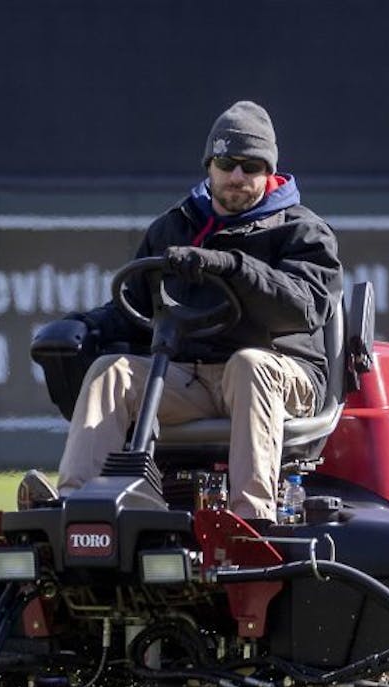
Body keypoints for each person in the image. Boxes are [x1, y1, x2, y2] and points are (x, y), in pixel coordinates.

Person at [47, 100, 343, 523]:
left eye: (251, 165)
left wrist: (233, 267)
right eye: (227, 163)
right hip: (190, 378)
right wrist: (85, 325)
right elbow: (133, 309)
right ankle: (79, 511)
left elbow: (303, 309)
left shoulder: (302, 231)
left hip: (282, 376)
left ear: (268, 171)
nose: (237, 176)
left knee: (249, 365)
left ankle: (250, 522)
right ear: (210, 166)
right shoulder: (175, 227)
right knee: (111, 371)